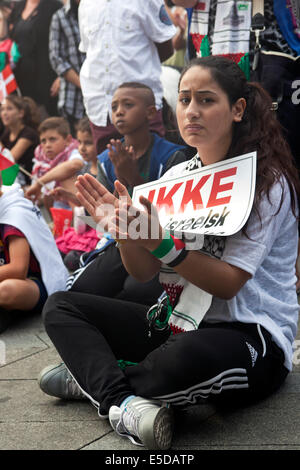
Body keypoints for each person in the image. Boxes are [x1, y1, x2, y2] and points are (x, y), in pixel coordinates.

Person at [38, 56, 300, 450]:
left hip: (248, 333)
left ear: (238, 109)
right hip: (177, 322)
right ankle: (122, 400)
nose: (191, 111)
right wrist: (126, 230)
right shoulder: (176, 176)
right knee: (61, 306)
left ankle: (96, 379)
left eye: (206, 100)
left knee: (177, 364)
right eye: (184, 99)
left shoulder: (265, 180)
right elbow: (142, 272)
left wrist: (163, 243)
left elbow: (229, 285)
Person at [66, 82, 187, 303]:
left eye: (128, 105)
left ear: (151, 112)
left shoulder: (173, 156)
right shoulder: (105, 160)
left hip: (158, 242)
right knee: (81, 288)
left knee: (137, 291)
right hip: (120, 241)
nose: (119, 111)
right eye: (114, 107)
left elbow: (171, 215)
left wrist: (133, 179)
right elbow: (103, 218)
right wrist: (121, 180)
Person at [78, 0, 176, 154]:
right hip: (100, 108)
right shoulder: (86, 4)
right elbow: (90, 51)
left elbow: (165, 48)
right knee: (108, 169)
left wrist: (137, 78)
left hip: (140, 106)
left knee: (150, 168)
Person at [0, 172, 69, 333]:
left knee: (5, 290)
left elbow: (18, 269)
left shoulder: (13, 214)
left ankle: (9, 310)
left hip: (36, 283)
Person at [50, 116, 100, 268]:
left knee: (71, 260)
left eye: (88, 143)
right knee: (56, 250)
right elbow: (84, 203)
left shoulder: (105, 170)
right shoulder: (84, 170)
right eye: (80, 142)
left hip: (98, 231)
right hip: (85, 229)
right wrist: (67, 195)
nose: (82, 148)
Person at [8, 0, 62, 117]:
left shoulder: (54, 6)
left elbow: (66, 43)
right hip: (20, 81)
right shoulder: (18, 7)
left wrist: (61, 77)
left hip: (46, 81)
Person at [25, 117, 83, 210]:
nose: (47, 145)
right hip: (58, 205)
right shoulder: (41, 159)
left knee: (65, 176)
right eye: (43, 141)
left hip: (80, 205)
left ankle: (78, 222)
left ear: (68, 140)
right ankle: (55, 222)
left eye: (52, 139)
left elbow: (74, 165)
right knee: (47, 193)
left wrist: (39, 183)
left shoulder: (74, 151)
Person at [49, 0, 85, 136]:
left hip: (102, 94)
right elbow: (56, 59)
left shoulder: (100, 11)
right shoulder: (60, 16)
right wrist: (83, 84)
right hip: (73, 97)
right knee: (77, 147)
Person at [0, 94, 40, 186]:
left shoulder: (28, 134)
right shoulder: (6, 134)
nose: (4, 113)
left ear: (21, 113)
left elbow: (8, 160)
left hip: (29, 184)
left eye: (9, 109)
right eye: (2, 109)